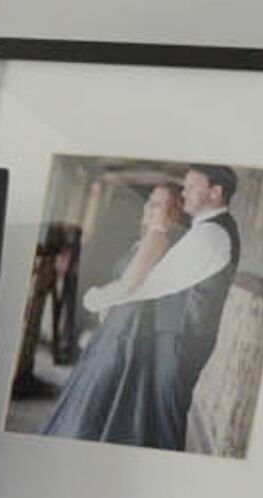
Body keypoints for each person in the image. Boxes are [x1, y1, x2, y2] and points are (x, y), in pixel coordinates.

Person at [39, 173, 229, 450]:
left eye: (158, 204)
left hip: (126, 329)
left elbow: (129, 284)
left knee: (100, 394)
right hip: (122, 324)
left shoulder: (157, 238)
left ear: (174, 212)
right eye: (149, 201)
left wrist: (95, 299)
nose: (148, 208)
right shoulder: (154, 239)